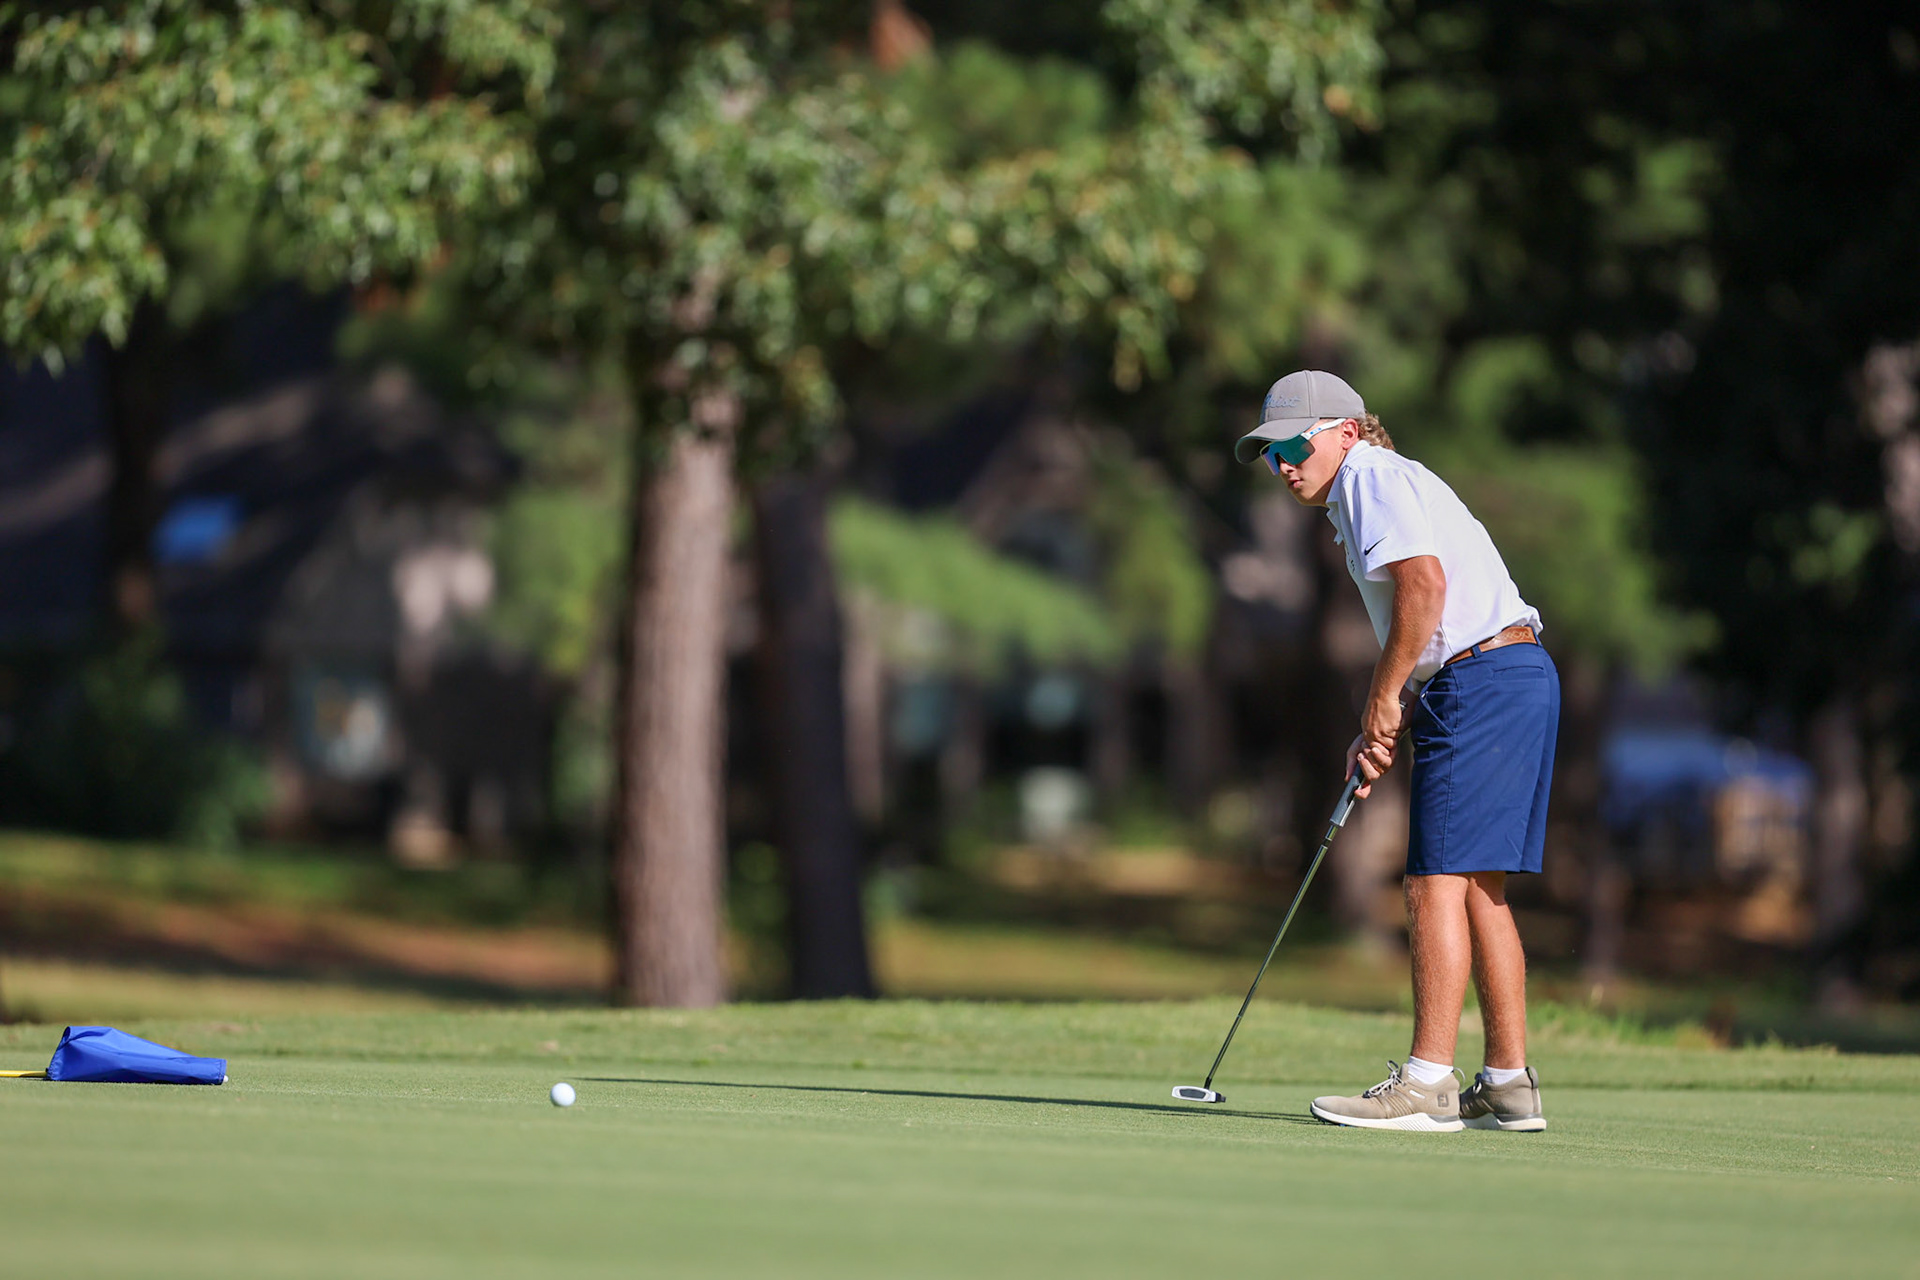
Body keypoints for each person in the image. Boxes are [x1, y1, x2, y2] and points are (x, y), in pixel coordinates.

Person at [1234, 369, 1557, 1132]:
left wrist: (1381, 698)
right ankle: (1508, 1084)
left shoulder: (1367, 479)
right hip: (1506, 672)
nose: (1283, 462)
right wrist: (1393, 706)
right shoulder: (1377, 485)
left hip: (1483, 680)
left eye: (1294, 443)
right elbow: (1432, 620)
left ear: (1345, 431)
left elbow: (1424, 587)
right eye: (1271, 449)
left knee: (1432, 881)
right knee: (1480, 887)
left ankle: (1427, 1084)